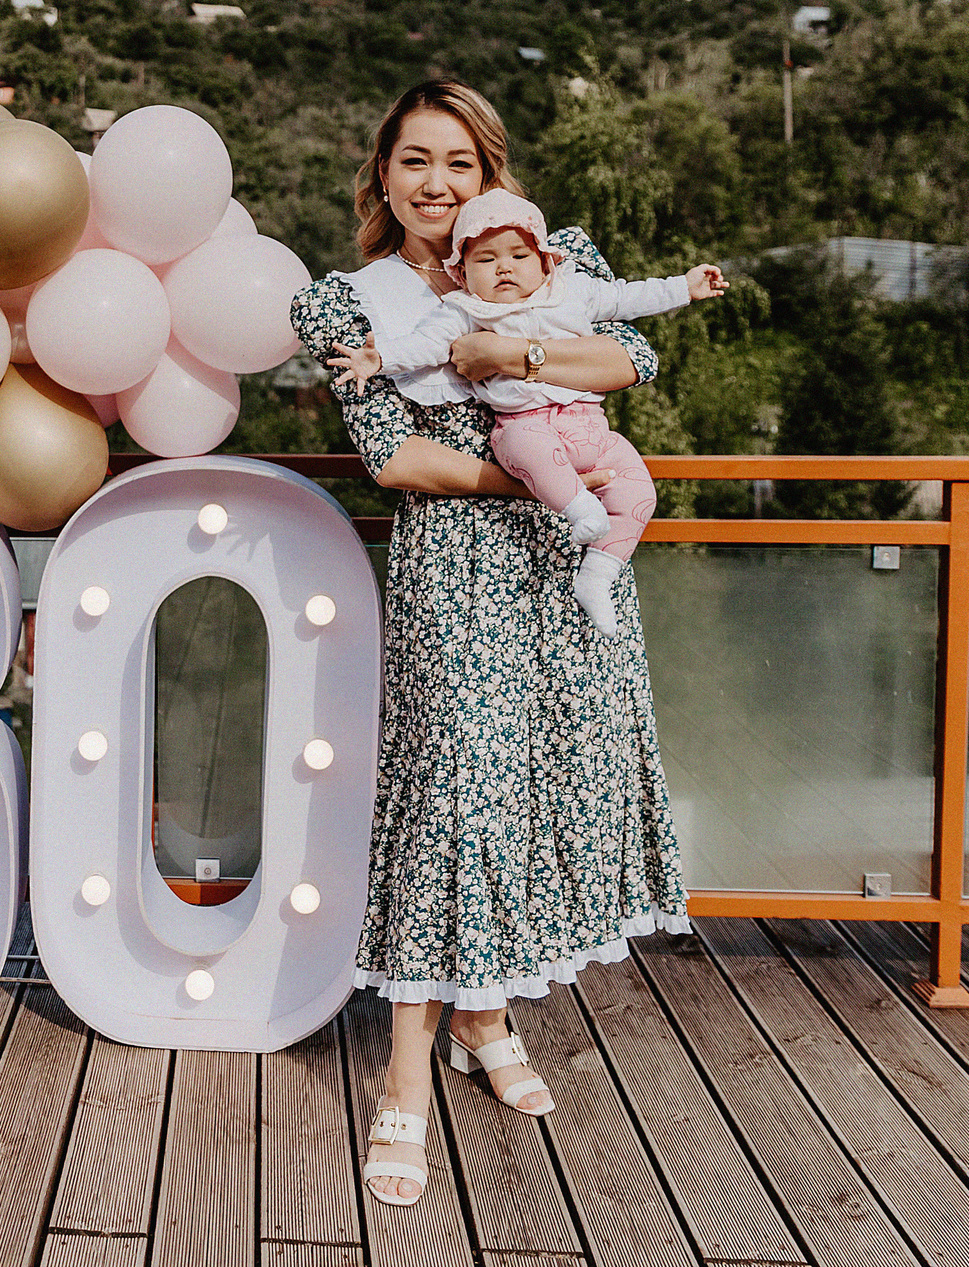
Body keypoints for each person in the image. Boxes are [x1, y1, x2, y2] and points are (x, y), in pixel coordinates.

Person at [287, 79, 688, 1209]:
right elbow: (394, 459)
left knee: (529, 787)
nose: (436, 184)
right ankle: (404, 1079)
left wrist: (494, 363)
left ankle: (484, 1013)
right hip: (458, 569)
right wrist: (526, 475)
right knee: (452, 798)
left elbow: (627, 365)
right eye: (414, 162)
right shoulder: (345, 302)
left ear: (489, 173)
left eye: (458, 163)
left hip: (569, 570)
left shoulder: (542, 252)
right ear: (381, 178)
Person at [327, 189, 729, 636]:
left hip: (589, 428)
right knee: (527, 450)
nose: (504, 267)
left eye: (519, 254)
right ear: (461, 273)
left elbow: (626, 299)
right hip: (525, 426)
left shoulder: (573, 291)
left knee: (640, 493)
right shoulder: (464, 310)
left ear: (546, 261)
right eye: (485, 260)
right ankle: (580, 510)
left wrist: (684, 288)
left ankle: (598, 573)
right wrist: (376, 359)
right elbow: (424, 346)